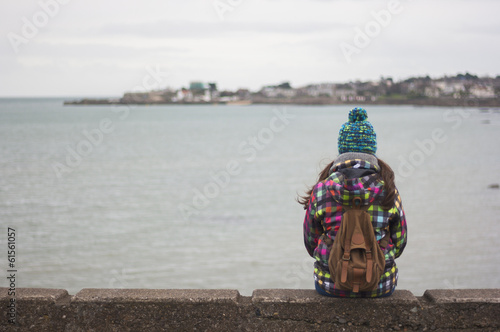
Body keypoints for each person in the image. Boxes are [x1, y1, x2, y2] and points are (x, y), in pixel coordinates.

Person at [299, 107, 407, 298]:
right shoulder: (388, 189)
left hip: (330, 284)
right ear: (372, 149)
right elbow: (400, 243)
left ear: (342, 149)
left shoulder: (322, 189)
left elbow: (311, 242)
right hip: (380, 285)